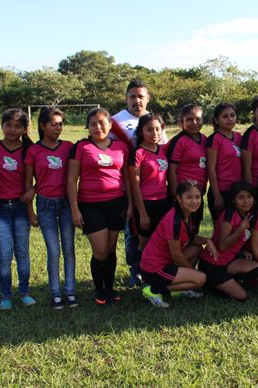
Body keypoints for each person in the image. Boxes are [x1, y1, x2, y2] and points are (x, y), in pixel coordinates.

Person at [68, 108, 132, 305]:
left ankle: (109, 289)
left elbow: (128, 178)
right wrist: (75, 208)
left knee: (112, 249)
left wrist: (130, 204)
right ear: (88, 126)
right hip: (90, 205)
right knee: (101, 250)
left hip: (116, 203)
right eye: (93, 123)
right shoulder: (81, 147)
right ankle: (98, 289)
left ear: (110, 125)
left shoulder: (121, 147)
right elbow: (71, 179)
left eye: (102, 123)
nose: (98, 127)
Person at [110, 79, 167, 288]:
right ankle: (136, 270)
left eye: (141, 96)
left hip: (155, 190)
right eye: (132, 96)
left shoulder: (154, 121)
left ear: (148, 98)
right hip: (127, 186)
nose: (137, 101)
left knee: (155, 231)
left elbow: (163, 152)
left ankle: (155, 268)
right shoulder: (114, 121)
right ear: (126, 98)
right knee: (133, 232)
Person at [0, 108, 36, 311]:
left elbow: (47, 176)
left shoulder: (29, 150)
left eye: (17, 126)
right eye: (8, 125)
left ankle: (24, 292)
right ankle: (6, 295)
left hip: (21, 207)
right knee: (4, 253)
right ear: (2, 125)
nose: (12, 130)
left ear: (24, 129)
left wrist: (33, 191)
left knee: (22, 251)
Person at [24, 107, 77, 309]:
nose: (58, 128)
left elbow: (74, 176)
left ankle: (70, 291)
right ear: (43, 126)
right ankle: (55, 292)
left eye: (60, 124)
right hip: (45, 204)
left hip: (66, 203)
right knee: (53, 251)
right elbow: (29, 184)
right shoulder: (34, 151)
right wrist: (30, 211)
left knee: (69, 249)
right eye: (53, 124)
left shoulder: (69, 147)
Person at [140, 181, 217, 308]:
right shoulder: (174, 220)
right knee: (200, 279)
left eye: (197, 197)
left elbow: (191, 238)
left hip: (166, 260)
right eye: (189, 197)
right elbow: (176, 255)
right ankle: (153, 290)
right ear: (179, 198)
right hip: (154, 268)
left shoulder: (188, 214)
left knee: (196, 249)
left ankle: (178, 289)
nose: (194, 201)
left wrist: (207, 240)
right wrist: (192, 272)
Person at [198, 181, 258, 301]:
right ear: (233, 200)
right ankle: (211, 284)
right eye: (241, 198)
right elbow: (223, 245)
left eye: (249, 197)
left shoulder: (247, 214)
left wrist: (242, 252)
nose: (246, 201)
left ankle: (227, 281)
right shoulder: (229, 215)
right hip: (212, 264)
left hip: (228, 262)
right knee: (242, 296)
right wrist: (240, 229)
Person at [129, 113, 171, 254]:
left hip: (164, 202)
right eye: (149, 129)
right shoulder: (137, 153)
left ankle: (159, 274)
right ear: (141, 131)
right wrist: (142, 213)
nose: (154, 133)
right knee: (144, 245)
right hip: (146, 203)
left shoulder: (163, 150)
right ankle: (140, 274)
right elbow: (134, 184)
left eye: (158, 129)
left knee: (162, 242)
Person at [166, 103, 208, 223]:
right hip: (183, 197)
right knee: (180, 232)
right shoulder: (178, 141)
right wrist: (176, 196)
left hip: (197, 195)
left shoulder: (205, 139)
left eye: (198, 119)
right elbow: (171, 171)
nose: (194, 123)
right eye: (189, 119)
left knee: (193, 231)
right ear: (181, 122)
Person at [206, 103, 243, 221]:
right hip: (221, 191)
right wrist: (217, 196)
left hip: (237, 190)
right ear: (217, 120)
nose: (230, 119)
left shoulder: (239, 137)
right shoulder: (215, 139)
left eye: (232, 115)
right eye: (225, 116)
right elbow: (211, 169)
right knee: (221, 232)